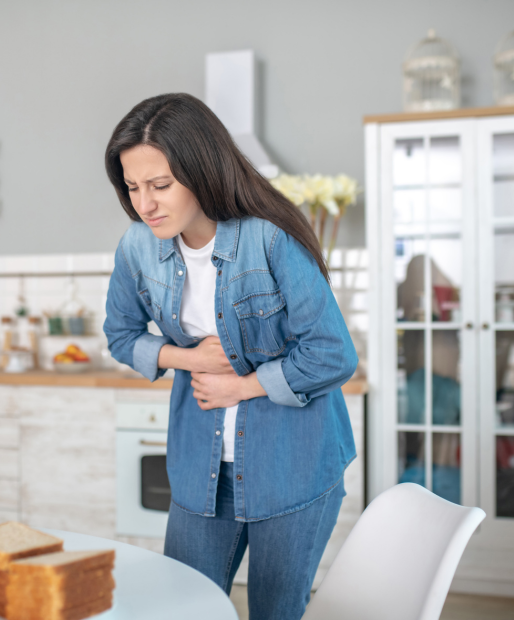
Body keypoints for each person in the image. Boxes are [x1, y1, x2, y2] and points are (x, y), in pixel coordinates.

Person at [103, 93, 357, 620]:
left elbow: (333, 354)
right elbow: (121, 335)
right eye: (132, 188)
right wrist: (189, 358)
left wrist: (241, 385)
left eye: (160, 185)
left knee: (274, 613)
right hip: (200, 468)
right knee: (181, 610)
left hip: (294, 465)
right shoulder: (137, 248)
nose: (144, 204)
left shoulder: (269, 240)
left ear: (202, 171)